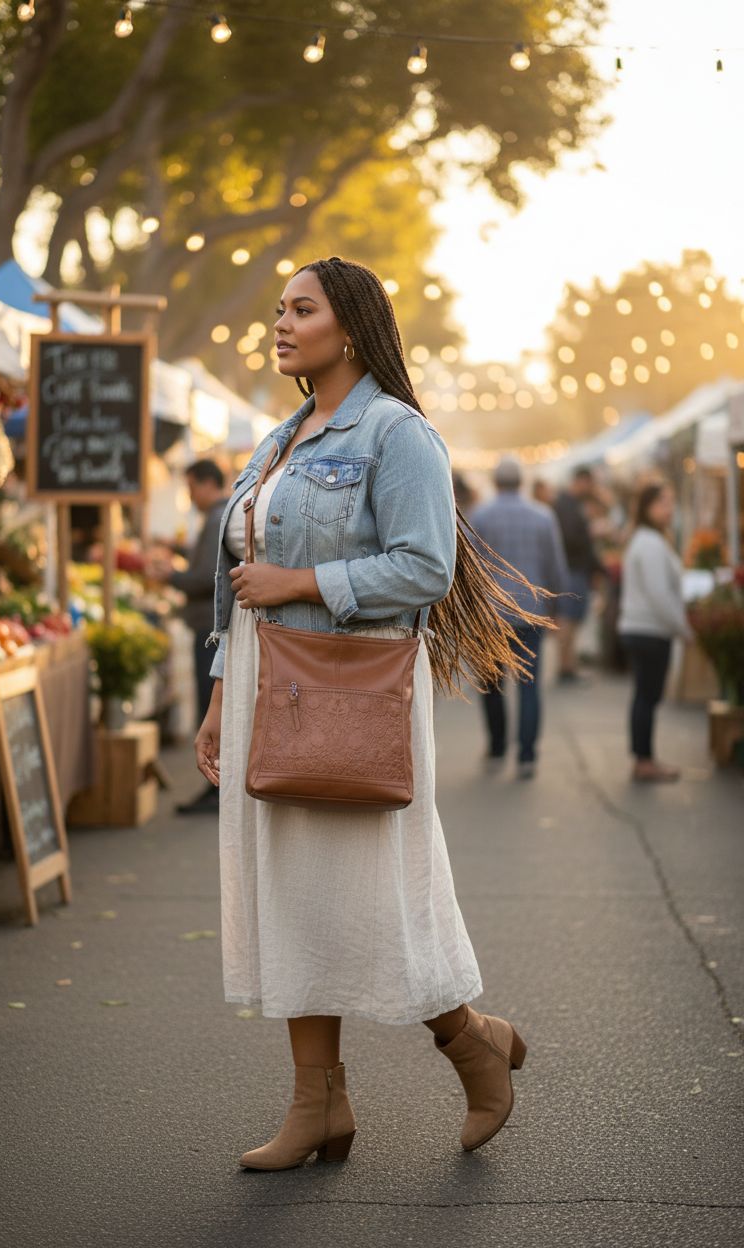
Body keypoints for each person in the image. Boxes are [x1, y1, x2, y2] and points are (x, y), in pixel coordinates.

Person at [194, 257, 545, 1171]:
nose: (280, 322)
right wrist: (222, 693)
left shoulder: (398, 436)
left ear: (348, 327)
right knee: (294, 902)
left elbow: (425, 567)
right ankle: (319, 1105)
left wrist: (304, 580)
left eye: (300, 308)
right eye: (278, 308)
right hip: (270, 694)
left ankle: (472, 1044)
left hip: (353, 697)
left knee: (372, 900)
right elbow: (240, 592)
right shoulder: (276, 441)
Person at [470, 456, 569, 779]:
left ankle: (498, 745)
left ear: (497, 482)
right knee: (529, 684)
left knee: (492, 683)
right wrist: (556, 605)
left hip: (491, 613)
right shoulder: (543, 517)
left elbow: (469, 567)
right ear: (521, 483)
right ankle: (527, 755)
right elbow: (555, 564)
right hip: (531, 611)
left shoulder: (480, 516)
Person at [147, 460, 228, 815]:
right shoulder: (220, 516)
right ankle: (216, 782)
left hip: (209, 628)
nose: (190, 495)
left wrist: (170, 576)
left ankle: (216, 783)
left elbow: (206, 578)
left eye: (192, 487)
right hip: (209, 625)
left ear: (208, 484)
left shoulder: (216, 517)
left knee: (210, 708)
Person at [617, 482, 692, 783]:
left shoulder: (650, 540)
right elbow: (660, 594)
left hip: (644, 628)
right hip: (648, 629)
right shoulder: (649, 543)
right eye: (663, 502)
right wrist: (683, 628)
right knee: (647, 696)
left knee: (645, 696)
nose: (669, 508)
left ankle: (643, 758)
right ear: (648, 506)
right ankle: (644, 760)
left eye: (671, 501)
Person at [552, 466, 605, 681]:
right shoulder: (566, 505)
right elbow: (570, 539)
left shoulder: (568, 504)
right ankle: (565, 667)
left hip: (574, 569)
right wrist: (591, 531)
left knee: (571, 620)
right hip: (571, 569)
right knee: (568, 620)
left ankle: (568, 665)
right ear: (581, 481)